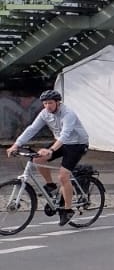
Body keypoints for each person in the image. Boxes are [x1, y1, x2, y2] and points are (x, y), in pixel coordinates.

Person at [6, 90, 90, 226]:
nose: (47, 106)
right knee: (38, 159)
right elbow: (32, 129)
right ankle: (50, 185)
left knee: (63, 176)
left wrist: (50, 150)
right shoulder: (45, 113)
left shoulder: (68, 114)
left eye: (50, 103)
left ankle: (68, 210)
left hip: (77, 144)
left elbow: (65, 135)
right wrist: (16, 145)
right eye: (45, 103)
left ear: (58, 102)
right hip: (61, 142)